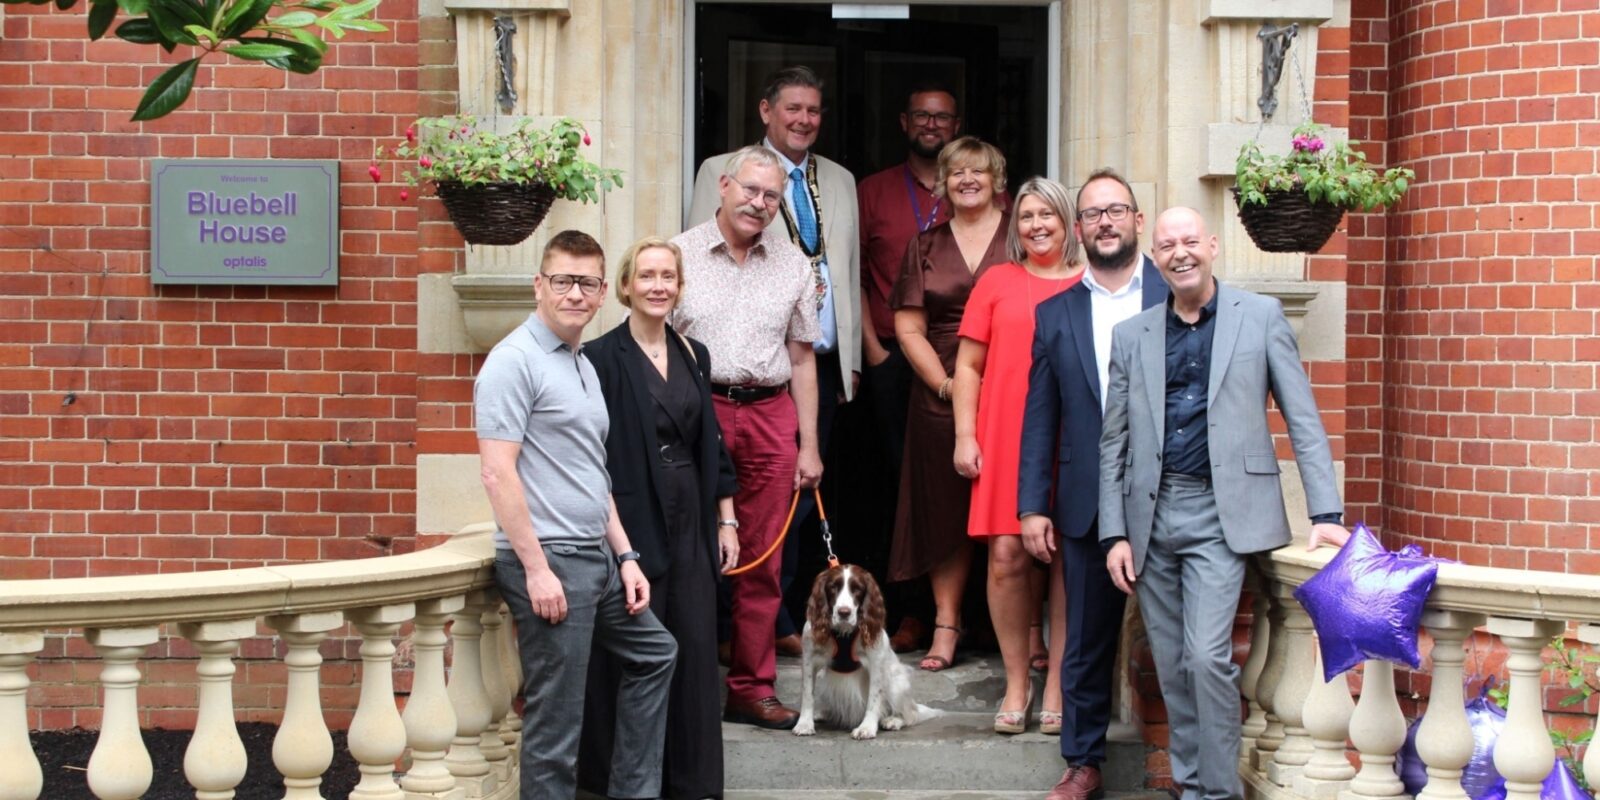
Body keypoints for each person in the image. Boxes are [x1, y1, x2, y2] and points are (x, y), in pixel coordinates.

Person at [1097, 207, 1350, 800]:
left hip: (1221, 513)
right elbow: (1114, 442)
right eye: (1167, 245)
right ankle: (1191, 786)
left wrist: (1326, 514)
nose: (1180, 252)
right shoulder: (1131, 335)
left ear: (1212, 245)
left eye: (1190, 241)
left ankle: (1218, 792)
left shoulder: (1258, 317)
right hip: (1150, 519)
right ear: (1153, 257)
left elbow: (1303, 418)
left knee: (1209, 659)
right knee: (1172, 663)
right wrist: (1115, 533)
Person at [475, 230, 678, 800]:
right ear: (540, 285)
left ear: (600, 293)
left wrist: (627, 555)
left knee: (656, 655)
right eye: (563, 281)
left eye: (587, 283)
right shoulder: (513, 362)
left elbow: (593, 473)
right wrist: (536, 569)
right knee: (556, 723)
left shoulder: (581, 363)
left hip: (598, 559)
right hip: (553, 562)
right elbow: (497, 473)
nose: (575, 294)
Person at [688, 65, 861, 657]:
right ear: (766, 111)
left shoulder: (837, 179)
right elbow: (699, 284)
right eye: (793, 108)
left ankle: (769, 634)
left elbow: (848, 267)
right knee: (707, 524)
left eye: (814, 110)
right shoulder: (718, 171)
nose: (804, 119)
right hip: (714, 388)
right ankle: (712, 642)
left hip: (803, 371)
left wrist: (856, 353)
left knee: (788, 512)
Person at [1017, 169, 1168, 799]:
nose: (1106, 221)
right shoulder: (1055, 314)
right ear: (1079, 230)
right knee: (1083, 640)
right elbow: (1040, 416)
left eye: (1117, 210)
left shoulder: (1177, 293)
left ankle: (1189, 763)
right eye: (1093, 213)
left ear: (1138, 220)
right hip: (1084, 503)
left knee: (1186, 641)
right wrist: (1031, 506)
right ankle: (1083, 761)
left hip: (1172, 496)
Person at [579, 237, 739, 800]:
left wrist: (726, 521)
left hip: (691, 515)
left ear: (679, 285)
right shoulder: (599, 358)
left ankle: (692, 786)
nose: (657, 286)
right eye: (646, 275)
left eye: (667, 276)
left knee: (694, 649)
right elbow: (591, 456)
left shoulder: (695, 354)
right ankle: (620, 784)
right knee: (635, 652)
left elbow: (712, 445)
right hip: (632, 514)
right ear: (624, 286)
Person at [672, 145, 822, 730]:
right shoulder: (679, 254)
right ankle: (682, 686)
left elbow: (803, 358)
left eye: (771, 197)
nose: (758, 204)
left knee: (762, 558)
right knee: (686, 552)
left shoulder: (792, 265)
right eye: (751, 191)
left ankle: (751, 688)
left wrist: (808, 445)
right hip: (694, 409)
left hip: (768, 413)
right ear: (724, 185)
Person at [953, 177, 1082, 735]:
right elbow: (968, 367)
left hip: (1074, 435)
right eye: (1026, 215)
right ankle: (1016, 681)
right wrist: (964, 434)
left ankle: (1056, 680)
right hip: (1005, 432)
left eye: (1046, 214)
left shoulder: (1092, 282)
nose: (1036, 225)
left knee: (1068, 558)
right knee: (1007, 555)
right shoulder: (996, 281)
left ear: (1068, 221)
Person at [886, 136, 1011, 673]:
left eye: (978, 172)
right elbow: (907, 326)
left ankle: (1026, 628)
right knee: (944, 510)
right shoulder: (925, 244)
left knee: (1013, 505)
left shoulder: (1021, 236)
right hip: (938, 388)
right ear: (943, 180)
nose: (967, 180)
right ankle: (946, 623)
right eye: (956, 172)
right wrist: (943, 384)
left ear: (996, 179)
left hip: (1012, 386)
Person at [856, 83, 962, 653]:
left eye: (942, 117)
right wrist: (873, 354)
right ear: (903, 121)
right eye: (921, 114)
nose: (931, 124)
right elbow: (848, 275)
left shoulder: (975, 193)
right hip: (891, 361)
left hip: (964, 366)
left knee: (950, 489)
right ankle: (904, 613)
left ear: (956, 125)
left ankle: (956, 614)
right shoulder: (872, 191)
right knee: (892, 489)